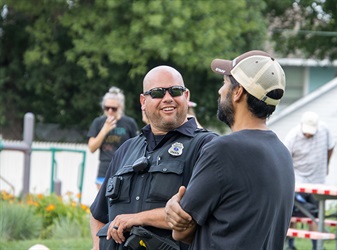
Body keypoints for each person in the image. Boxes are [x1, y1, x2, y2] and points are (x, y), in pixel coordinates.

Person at [165, 50, 295, 249]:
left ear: (238, 92)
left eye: (224, 83)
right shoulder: (282, 153)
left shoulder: (223, 150)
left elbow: (181, 230)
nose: (220, 91)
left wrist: (172, 206)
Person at [89, 66, 218, 250]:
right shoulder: (127, 149)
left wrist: (136, 219)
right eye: (157, 93)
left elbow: (191, 214)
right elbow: (98, 214)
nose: (168, 98)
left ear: (186, 96)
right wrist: (97, 246)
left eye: (175, 91)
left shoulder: (206, 146)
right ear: (143, 101)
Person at [283, 111, 335, 250]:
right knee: (292, 213)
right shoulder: (292, 137)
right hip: (298, 181)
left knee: (315, 216)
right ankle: (289, 244)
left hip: (318, 181)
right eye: (306, 131)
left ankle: (316, 246)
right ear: (301, 125)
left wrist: (327, 164)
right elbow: (284, 160)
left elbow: (331, 147)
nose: (308, 134)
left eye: (311, 132)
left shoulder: (324, 130)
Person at [87, 87, 139, 190]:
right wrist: (104, 130)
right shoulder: (98, 122)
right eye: (107, 108)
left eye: (113, 108)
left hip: (124, 167)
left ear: (120, 107)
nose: (110, 111)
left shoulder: (129, 123)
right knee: (104, 203)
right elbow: (92, 148)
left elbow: (137, 147)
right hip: (105, 168)